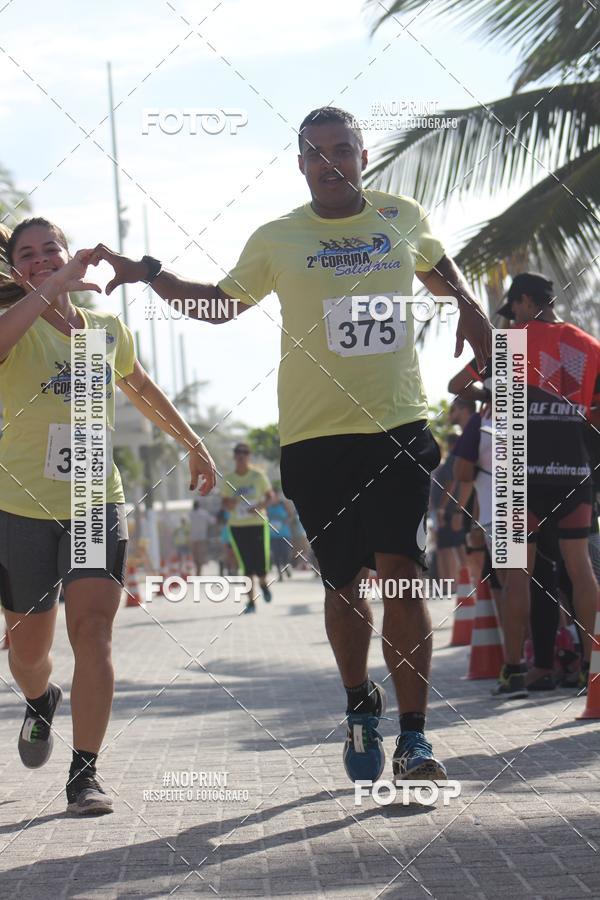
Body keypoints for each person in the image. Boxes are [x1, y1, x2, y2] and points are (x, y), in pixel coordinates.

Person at [93, 106, 492, 784]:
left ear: (363, 155)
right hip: (314, 437)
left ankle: (416, 738)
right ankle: (359, 704)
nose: (331, 161)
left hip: (396, 426)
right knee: (341, 584)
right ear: (301, 164)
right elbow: (221, 305)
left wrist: (471, 308)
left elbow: (439, 267)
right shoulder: (278, 237)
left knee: (399, 569)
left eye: (343, 148)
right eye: (316, 152)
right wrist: (149, 270)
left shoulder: (402, 216)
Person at [0, 218, 216, 815]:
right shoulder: (15, 327)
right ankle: (41, 699)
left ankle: (84, 773)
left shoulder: (101, 330)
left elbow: (140, 386)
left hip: (96, 502)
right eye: (29, 254)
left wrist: (192, 442)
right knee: (28, 654)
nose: (42, 259)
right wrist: (50, 286)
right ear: (15, 267)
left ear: (72, 255)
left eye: (53, 250)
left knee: (93, 632)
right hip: (22, 508)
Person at [494, 272, 600, 698]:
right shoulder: (589, 345)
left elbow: (461, 387)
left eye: (513, 307)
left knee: (515, 573)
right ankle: (592, 667)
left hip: (517, 471)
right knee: (580, 567)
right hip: (572, 469)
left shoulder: (509, 340)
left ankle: (514, 670)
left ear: (523, 301)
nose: (512, 316)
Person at [221, 443, 273, 612]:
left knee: (260, 562)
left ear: (249, 456)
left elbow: (270, 497)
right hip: (238, 526)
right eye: (238, 453)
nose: (241, 456)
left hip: (257, 524)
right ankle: (251, 602)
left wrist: (259, 506)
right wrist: (232, 503)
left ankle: (264, 584)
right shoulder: (229, 479)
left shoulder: (258, 476)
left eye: (244, 453)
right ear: (234, 456)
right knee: (246, 564)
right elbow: (225, 503)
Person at [267, 488, 294, 580]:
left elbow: (291, 515)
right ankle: (280, 574)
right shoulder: (267, 506)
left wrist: (287, 521)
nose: (273, 498)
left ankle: (286, 567)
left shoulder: (284, 505)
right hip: (273, 535)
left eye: (274, 496)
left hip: (284, 534)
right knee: (276, 555)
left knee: (285, 554)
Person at [189, 499, 216, 575]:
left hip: (193, 539)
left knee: (195, 556)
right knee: (200, 556)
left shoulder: (190, 514)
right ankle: (199, 571)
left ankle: (198, 571)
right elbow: (213, 521)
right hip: (202, 538)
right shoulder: (204, 514)